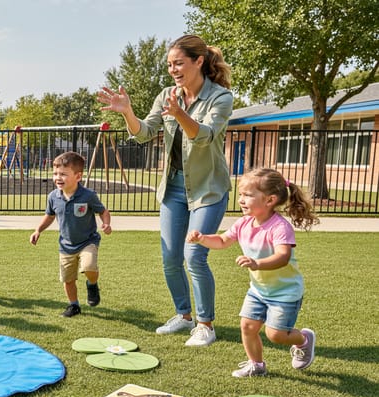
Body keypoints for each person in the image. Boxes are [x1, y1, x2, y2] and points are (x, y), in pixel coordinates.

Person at [97, 34, 233, 346]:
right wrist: (127, 112)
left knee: (195, 254)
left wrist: (181, 113)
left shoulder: (220, 98)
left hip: (208, 189)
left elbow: (206, 136)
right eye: (170, 64)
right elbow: (144, 134)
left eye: (179, 63)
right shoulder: (166, 95)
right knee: (171, 258)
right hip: (173, 188)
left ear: (198, 61)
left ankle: (205, 325)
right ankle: (184, 316)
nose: (173, 69)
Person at [188, 167, 319, 377]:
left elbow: (283, 256)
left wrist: (257, 263)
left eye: (247, 195)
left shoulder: (279, 227)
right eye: (240, 194)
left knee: (275, 335)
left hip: (285, 293)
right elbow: (222, 241)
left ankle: (303, 340)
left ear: (269, 200)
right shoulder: (243, 223)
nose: (241, 199)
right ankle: (256, 365)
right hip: (258, 290)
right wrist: (202, 238)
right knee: (248, 326)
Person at [30, 152, 112, 317]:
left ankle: (92, 284)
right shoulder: (53, 197)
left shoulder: (88, 196)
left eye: (63, 174)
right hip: (66, 245)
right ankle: (73, 306)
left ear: (78, 176)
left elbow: (103, 211)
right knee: (68, 279)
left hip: (88, 241)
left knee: (89, 266)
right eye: (55, 174)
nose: (58, 178)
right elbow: (50, 216)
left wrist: (106, 223)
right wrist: (38, 230)